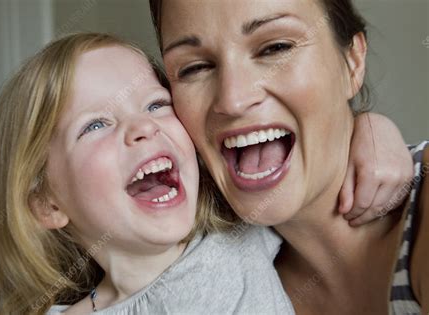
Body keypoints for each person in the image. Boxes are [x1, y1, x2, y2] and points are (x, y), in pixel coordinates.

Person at [0, 30, 414, 314]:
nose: (142, 128)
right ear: (47, 203)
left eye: (155, 105)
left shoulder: (237, 226)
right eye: (96, 124)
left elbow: (313, 162)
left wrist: (373, 131)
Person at [150, 0, 429, 313]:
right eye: (194, 68)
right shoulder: (223, 287)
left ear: (352, 62)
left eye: (275, 47)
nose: (233, 99)